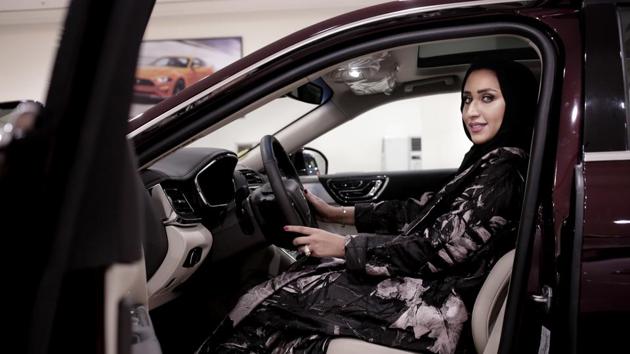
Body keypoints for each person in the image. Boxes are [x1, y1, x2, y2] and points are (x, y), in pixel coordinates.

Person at [197, 59, 539, 354]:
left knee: (269, 297)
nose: (471, 112)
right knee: (290, 292)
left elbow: (436, 247)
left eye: (487, 99)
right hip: (433, 290)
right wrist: (338, 214)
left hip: (440, 309)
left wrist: (344, 247)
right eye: (467, 100)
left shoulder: (504, 171)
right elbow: (418, 212)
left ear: (517, 103)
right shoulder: (488, 158)